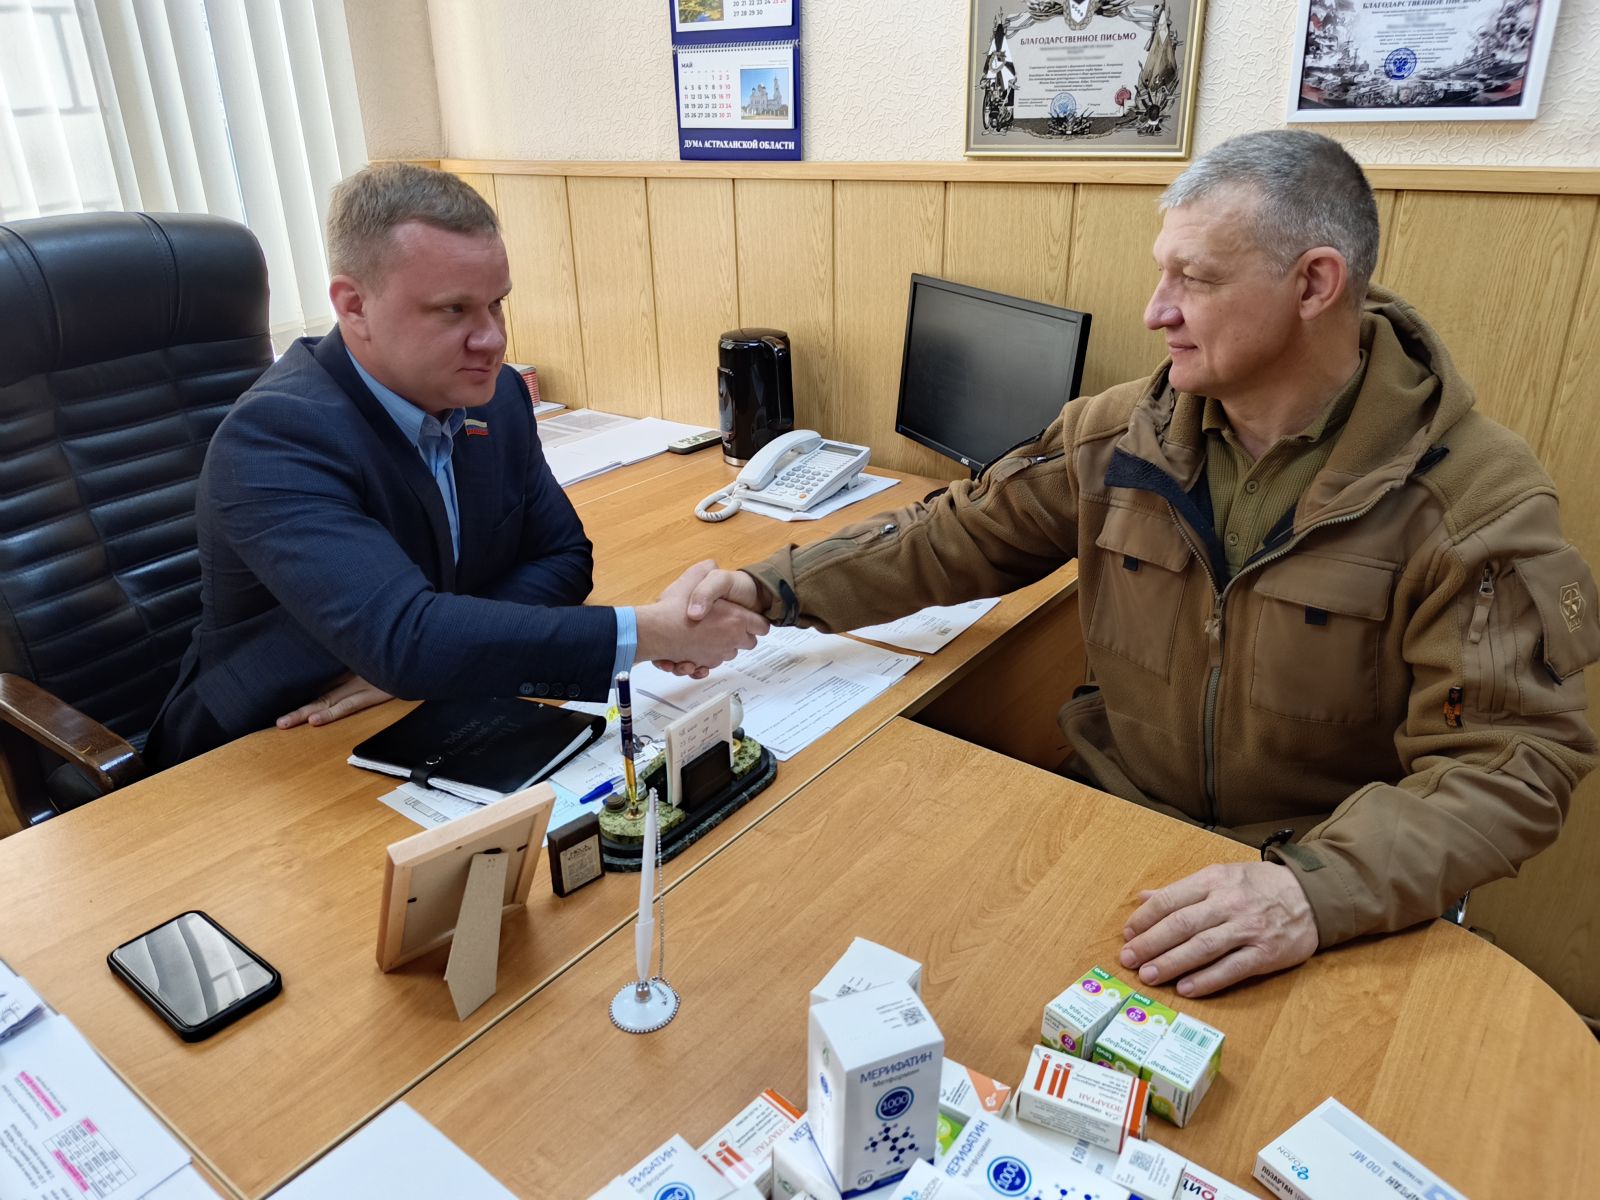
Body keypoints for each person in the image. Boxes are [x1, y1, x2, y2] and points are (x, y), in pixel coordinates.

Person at [677, 130, 1600, 996]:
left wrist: (1313, 890)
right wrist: (770, 587)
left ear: (1315, 283)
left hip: (1311, 884)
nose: (1157, 311)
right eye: (1164, 272)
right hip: (1113, 830)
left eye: (1195, 280)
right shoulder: (1124, 432)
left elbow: (1512, 760)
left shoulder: (1471, 500)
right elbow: (957, 534)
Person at [147, 163, 764, 767]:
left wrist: (436, 655)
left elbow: (564, 557)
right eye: (453, 310)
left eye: (496, 304)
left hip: (421, 711)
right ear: (354, 306)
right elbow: (407, 642)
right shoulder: (275, 438)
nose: (491, 338)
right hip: (261, 746)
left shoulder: (496, 397)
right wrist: (653, 632)